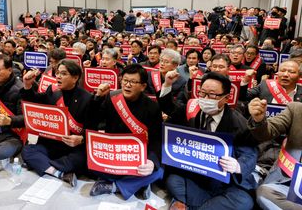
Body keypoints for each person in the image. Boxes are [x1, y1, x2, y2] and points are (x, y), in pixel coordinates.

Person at [162, 72, 257, 210]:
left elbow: (250, 154)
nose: (205, 99)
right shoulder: (192, 110)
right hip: (197, 176)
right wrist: (167, 84)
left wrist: (238, 166)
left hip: (225, 182)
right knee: (173, 181)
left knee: (243, 202)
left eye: (212, 95)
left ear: (226, 98)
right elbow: (170, 109)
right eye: (202, 93)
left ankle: (190, 205)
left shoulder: (239, 122)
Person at [89, 64, 164, 200]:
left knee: (158, 171)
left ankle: (113, 186)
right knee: (89, 161)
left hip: (137, 156)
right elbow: (93, 120)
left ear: (143, 86)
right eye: (125, 80)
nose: (127, 85)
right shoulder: (111, 98)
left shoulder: (152, 107)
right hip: (113, 153)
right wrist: (98, 97)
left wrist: (151, 162)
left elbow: (156, 139)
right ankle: (138, 184)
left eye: (133, 82)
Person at [20, 59, 93, 187]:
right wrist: (27, 85)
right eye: (57, 73)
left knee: (82, 159)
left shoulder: (87, 98)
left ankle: (43, 165)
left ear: (75, 78)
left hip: (73, 147)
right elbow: (33, 102)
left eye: (63, 74)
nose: (58, 76)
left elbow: (93, 130)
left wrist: (81, 139)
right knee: (27, 150)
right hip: (51, 143)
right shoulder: (52, 91)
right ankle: (60, 173)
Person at [248, 99, 302, 210]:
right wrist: (259, 120)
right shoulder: (296, 109)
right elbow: (268, 130)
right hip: (284, 182)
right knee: (264, 193)